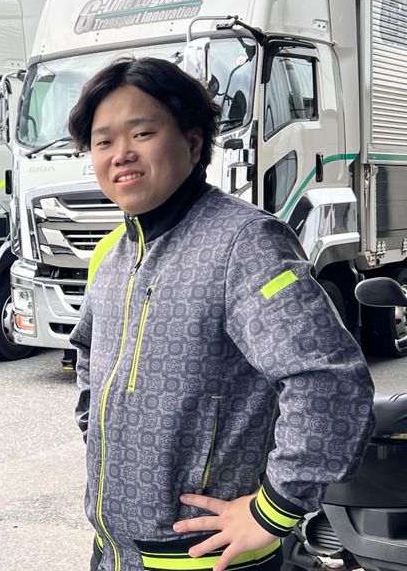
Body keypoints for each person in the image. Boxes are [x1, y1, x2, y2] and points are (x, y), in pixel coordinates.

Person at [67, 57, 374, 571]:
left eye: (142, 133)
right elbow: (86, 357)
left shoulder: (244, 243)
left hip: (207, 560)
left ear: (192, 143)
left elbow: (328, 378)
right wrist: (104, 435)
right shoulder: (116, 251)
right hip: (116, 554)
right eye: (103, 141)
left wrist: (275, 509)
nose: (121, 154)